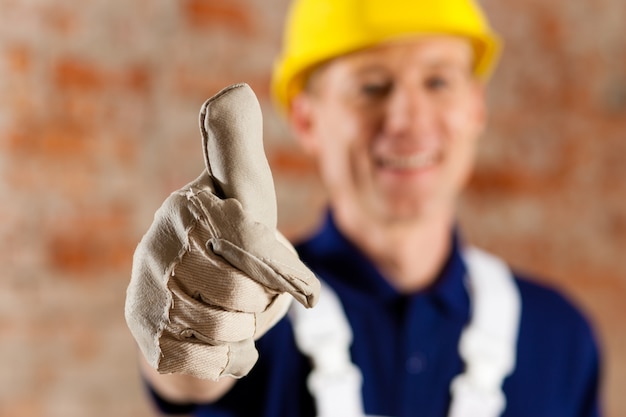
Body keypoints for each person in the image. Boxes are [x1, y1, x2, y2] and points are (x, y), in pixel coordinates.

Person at [125, 0, 603, 416]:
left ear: (476, 106)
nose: (407, 119)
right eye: (371, 87)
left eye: (438, 81)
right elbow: (187, 383)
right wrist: (184, 319)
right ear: (306, 118)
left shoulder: (560, 338)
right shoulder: (250, 309)